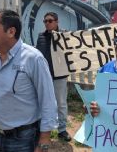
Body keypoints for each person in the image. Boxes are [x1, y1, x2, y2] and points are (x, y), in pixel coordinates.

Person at [0, 9, 57, 152]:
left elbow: (48, 101)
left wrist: (44, 140)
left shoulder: (33, 58)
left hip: (23, 140)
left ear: (11, 32)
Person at [36, 12, 71, 142]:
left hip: (60, 76)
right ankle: (44, 129)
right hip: (45, 76)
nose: (47, 23)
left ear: (56, 22)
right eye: (45, 21)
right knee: (43, 103)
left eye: (50, 21)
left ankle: (62, 130)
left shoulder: (65, 36)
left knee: (61, 103)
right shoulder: (41, 37)